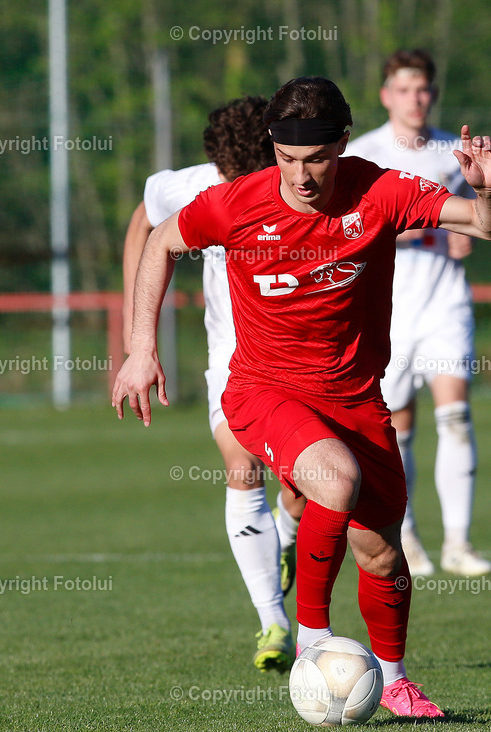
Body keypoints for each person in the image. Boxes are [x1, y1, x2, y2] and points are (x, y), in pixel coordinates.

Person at [111, 76, 491, 718]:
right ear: (272, 146)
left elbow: (489, 227)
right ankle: (313, 642)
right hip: (262, 390)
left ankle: (394, 677)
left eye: (317, 160)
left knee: (381, 553)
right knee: (334, 477)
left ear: (342, 145)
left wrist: (488, 188)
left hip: (356, 399)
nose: (301, 176)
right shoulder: (235, 203)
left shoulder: (379, 190)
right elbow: (160, 241)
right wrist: (140, 346)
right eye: (287, 158)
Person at [121, 96, 294, 671]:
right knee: (241, 462)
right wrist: (136, 336)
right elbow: (144, 221)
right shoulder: (195, 187)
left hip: (301, 356)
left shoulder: (300, 183)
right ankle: (274, 621)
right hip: (233, 357)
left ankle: (286, 538)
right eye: (232, 180)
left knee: (303, 486)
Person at [333, 48, 491, 578]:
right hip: (389, 305)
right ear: (385, 96)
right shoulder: (364, 154)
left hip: (445, 301)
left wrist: (474, 226)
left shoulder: (453, 150)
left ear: (433, 94)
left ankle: (460, 543)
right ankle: (408, 536)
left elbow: (479, 217)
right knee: (397, 429)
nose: (415, 99)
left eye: (422, 89)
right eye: (404, 90)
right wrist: (434, 227)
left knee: (457, 417)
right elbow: (354, 229)